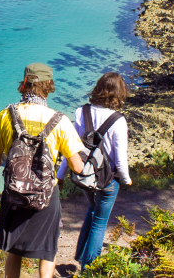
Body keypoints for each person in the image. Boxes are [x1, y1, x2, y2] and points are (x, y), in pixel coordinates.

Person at [0, 63, 85, 278]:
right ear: (48, 85)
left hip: (13, 195)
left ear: (24, 84)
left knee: (14, 251)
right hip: (46, 197)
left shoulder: (5, 116)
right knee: (48, 251)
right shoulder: (60, 121)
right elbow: (77, 167)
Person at [57, 72, 133, 270]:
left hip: (86, 176)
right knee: (100, 221)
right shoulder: (118, 120)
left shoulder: (81, 112)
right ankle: (89, 268)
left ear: (98, 88)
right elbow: (120, 157)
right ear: (119, 93)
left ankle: (82, 254)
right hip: (108, 180)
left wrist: (60, 174)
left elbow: (70, 147)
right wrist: (126, 180)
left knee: (92, 210)